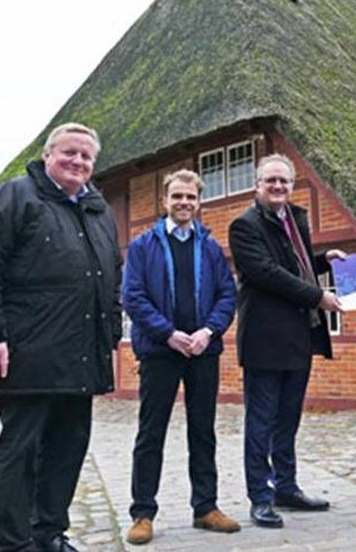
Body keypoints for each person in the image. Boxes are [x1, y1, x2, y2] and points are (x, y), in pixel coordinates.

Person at [0, 122, 122, 552]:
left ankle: (48, 534)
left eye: (86, 156)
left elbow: (111, 280)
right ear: (47, 155)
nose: (78, 162)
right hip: (27, 353)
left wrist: (110, 339)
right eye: (69, 152)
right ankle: (13, 544)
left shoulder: (99, 212)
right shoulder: (16, 196)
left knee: (68, 449)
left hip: (82, 354)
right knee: (21, 452)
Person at [122, 169, 239, 544]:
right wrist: (168, 333)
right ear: (165, 201)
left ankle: (205, 507)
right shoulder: (143, 246)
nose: (184, 203)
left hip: (203, 350)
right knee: (150, 431)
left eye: (190, 197)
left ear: (199, 202)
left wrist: (208, 331)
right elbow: (133, 296)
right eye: (177, 197)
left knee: (202, 431)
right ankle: (142, 513)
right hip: (161, 350)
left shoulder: (210, 246)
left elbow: (227, 296)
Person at [228, 153, 345, 528]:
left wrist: (325, 259)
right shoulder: (244, 225)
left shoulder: (293, 218)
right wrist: (317, 297)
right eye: (271, 181)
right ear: (257, 186)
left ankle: (286, 487)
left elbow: (296, 263)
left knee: (288, 420)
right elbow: (266, 272)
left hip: (298, 338)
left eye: (284, 182)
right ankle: (260, 497)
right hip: (264, 340)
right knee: (260, 422)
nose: (278, 187)